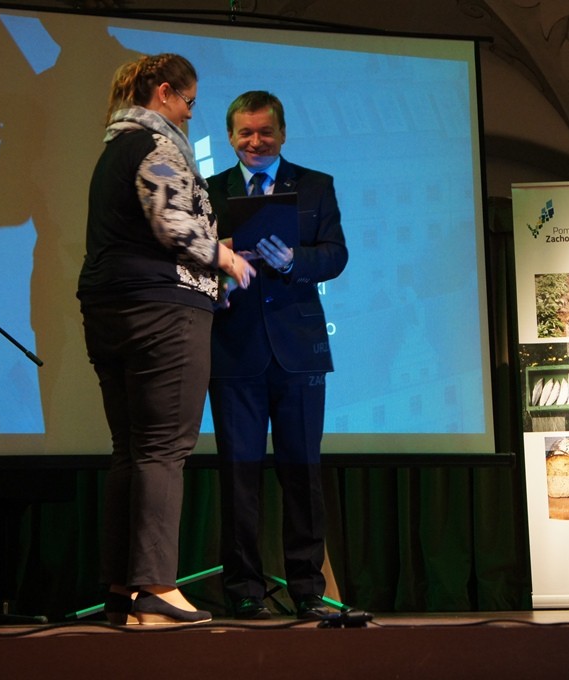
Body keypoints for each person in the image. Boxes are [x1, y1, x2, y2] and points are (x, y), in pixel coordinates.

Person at [76, 54, 255, 626]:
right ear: (163, 93)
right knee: (162, 449)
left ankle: (121, 591)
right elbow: (171, 222)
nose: (190, 114)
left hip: (110, 309)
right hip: (163, 311)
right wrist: (224, 257)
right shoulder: (156, 144)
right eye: (189, 101)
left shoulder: (112, 149)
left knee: (130, 451)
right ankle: (155, 587)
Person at [206, 91, 348, 620]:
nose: (256, 141)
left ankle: (307, 589)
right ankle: (243, 589)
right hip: (233, 349)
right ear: (230, 137)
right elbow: (189, 259)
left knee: (302, 475)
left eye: (265, 132)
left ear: (283, 134)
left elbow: (335, 254)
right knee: (238, 476)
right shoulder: (208, 190)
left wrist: (292, 261)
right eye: (245, 132)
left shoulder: (315, 185)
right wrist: (222, 261)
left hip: (300, 352)